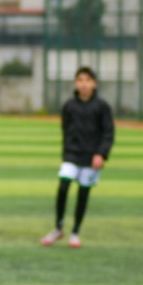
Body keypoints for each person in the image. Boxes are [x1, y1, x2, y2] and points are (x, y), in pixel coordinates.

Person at [41, 66, 114, 249]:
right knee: (63, 185)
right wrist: (66, 153)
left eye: (87, 80)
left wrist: (101, 154)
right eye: (80, 80)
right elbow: (66, 131)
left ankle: (75, 232)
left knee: (83, 193)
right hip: (72, 155)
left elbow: (108, 133)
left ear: (94, 84)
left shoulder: (102, 107)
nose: (84, 84)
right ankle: (58, 227)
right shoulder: (69, 106)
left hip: (91, 158)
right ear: (75, 83)